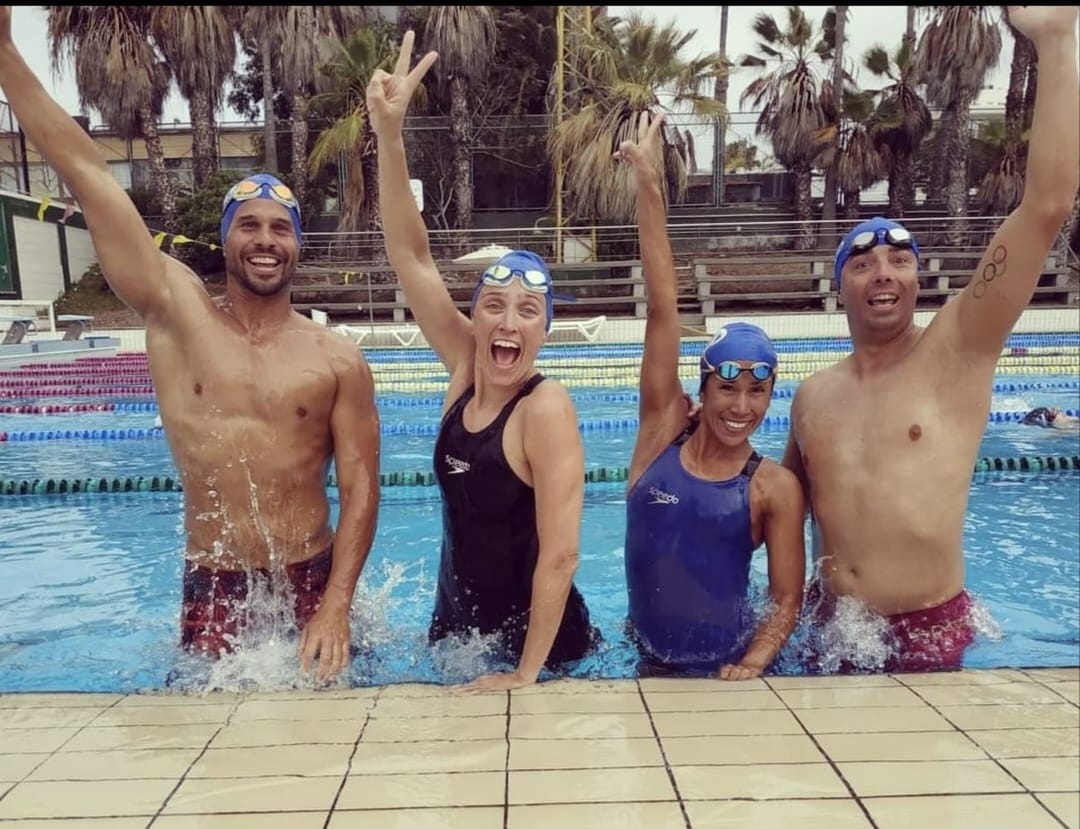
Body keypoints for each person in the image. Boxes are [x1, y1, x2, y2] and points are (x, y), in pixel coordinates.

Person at [0, 8, 381, 682]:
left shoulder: (336, 357)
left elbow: (362, 487)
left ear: (298, 244)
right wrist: (5, 52)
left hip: (311, 574)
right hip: (216, 578)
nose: (265, 240)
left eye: (281, 228)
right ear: (225, 237)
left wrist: (337, 604)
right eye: (249, 225)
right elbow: (88, 172)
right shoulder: (177, 311)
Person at [782, 6, 1079, 673]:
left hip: (929, 629)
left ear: (919, 279)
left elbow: (1047, 205)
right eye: (863, 263)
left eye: (900, 259)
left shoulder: (956, 349)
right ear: (841, 286)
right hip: (831, 633)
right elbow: (776, 506)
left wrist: (1057, 39)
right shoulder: (812, 396)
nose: (884, 272)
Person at [368, 33, 598, 691]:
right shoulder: (467, 366)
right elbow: (411, 257)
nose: (508, 322)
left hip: (544, 654)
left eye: (528, 311)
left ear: (544, 331)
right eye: (493, 306)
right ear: (476, 319)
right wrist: (390, 137)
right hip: (459, 639)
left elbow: (561, 554)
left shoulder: (545, 408)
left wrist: (525, 675)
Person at [615, 113, 806, 679]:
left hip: (726, 665)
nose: (741, 407)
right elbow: (662, 310)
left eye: (757, 392)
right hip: (641, 660)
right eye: (726, 388)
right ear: (700, 391)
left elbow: (786, 598)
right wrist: (650, 188)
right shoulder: (660, 435)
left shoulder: (774, 487)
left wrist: (754, 661)